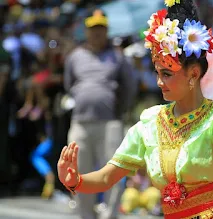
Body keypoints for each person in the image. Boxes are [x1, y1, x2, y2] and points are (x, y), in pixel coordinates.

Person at [57, 0, 213, 218]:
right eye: (157, 73)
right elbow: (106, 178)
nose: (159, 82)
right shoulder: (151, 122)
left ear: (193, 74)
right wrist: (76, 180)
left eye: (166, 74)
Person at [63, 9, 136, 219]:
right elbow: (69, 86)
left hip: (110, 122)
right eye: (93, 28)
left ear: (107, 30)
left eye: (101, 28)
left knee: (114, 170)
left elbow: (129, 87)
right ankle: (86, 215)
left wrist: (118, 109)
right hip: (80, 122)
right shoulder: (75, 57)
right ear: (87, 31)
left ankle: (111, 214)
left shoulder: (117, 56)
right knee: (78, 172)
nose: (97, 33)